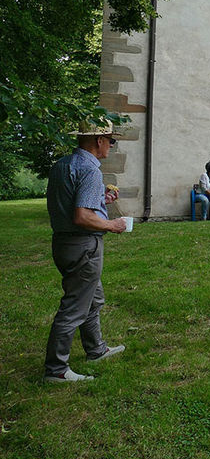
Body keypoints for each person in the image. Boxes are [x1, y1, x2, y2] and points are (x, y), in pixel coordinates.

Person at [44, 118, 127, 383]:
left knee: (94, 298)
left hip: (64, 243)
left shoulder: (63, 164)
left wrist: (101, 199)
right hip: (83, 245)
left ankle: (96, 350)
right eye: (111, 141)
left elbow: (71, 204)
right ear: (99, 141)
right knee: (74, 308)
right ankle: (56, 370)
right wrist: (112, 224)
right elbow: (82, 217)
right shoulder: (91, 169)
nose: (112, 146)